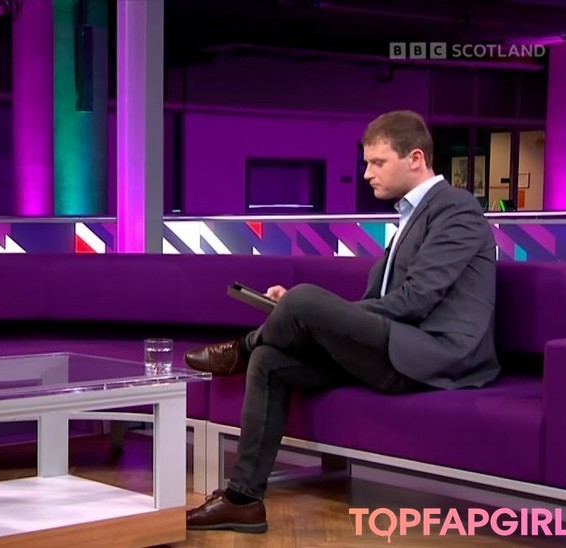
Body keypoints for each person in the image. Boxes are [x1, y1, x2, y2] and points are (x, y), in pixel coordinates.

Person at [183, 110, 499, 533]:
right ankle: (243, 499)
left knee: (304, 298)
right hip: (393, 345)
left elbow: (416, 300)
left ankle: (240, 348)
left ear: (416, 159)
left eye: (378, 162)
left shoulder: (457, 210)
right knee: (271, 360)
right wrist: (312, 315)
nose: (367, 174)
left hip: (434, 354)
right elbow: (381, 304)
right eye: (366, 163)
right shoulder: (411, 216)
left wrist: (312, 311)